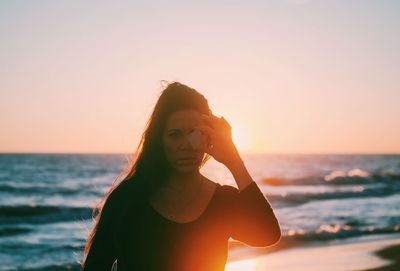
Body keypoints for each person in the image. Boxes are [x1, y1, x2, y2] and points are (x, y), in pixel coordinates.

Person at [81, 82, 281, 271]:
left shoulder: (222, 201)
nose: (186, 145)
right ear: (160, 140)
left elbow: (268, 234)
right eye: (175, 135)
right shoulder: (128, 199)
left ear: (207, 135)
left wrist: (233, 161)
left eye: (195, 132)